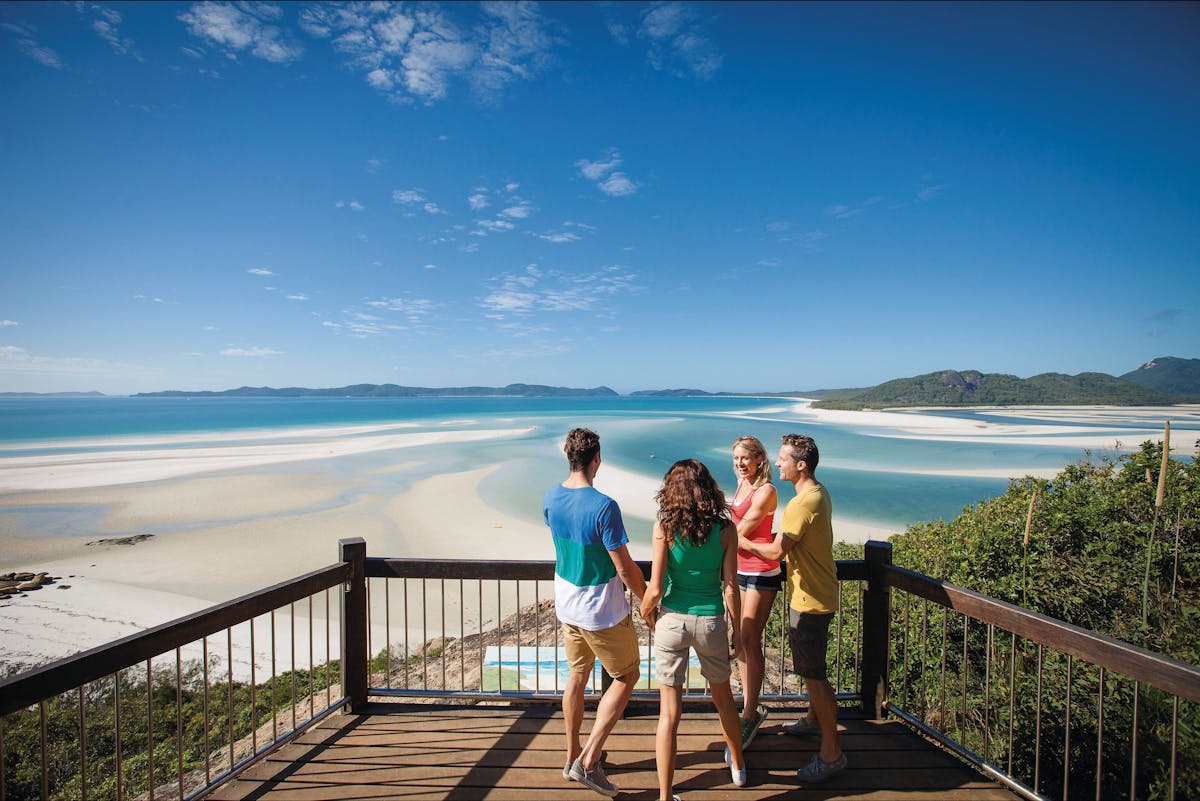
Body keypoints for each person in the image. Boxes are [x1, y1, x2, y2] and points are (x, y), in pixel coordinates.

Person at [737, 434, 846, 785]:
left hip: (810, 600)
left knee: (814, 677)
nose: (778, 462)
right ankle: (813, 720)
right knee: (813, 670)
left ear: (801, 465)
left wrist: (735, 539)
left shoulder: (801, 505)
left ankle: (831, 754)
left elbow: (774, 553)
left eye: (784, 458)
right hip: (819, 593)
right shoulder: (819, 493)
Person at [544, 428, 647, 798]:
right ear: (597, 459)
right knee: (627, 675)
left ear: (568, 457)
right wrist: (648, 600)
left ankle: (571, 756)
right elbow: (625, 568)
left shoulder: (551, 498)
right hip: (600, 609)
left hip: (567, 603)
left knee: (577, 675)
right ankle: (588, 761)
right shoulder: (604, 506)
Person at [640, 459, 746, 801]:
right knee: (724, 699)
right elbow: (731, 587)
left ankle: (665, 794)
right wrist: (738, 632)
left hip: (672, 619)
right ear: (707, 487)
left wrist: (646, 614)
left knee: (669, 712)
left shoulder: (664, 528)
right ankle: (739, 767)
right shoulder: (726, 529)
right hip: (711, 621)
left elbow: (655, 588)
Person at [728, 435, 779, 747]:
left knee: (748, 637)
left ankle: (750, 711)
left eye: (745, 458)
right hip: (739, 569)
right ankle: (749, 703)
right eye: (736, 459)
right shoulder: (740, 485)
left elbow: (739, 531)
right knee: (741, 639)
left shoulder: (767, 491)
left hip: (761, 572)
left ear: (760, 458)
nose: (740, 464)